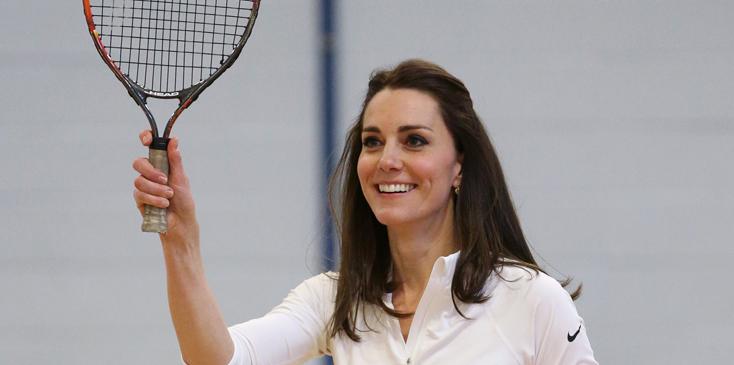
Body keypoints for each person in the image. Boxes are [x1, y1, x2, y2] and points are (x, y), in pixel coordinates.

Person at [132, 59, 598, 365]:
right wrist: (181, 242)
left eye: (414, 140)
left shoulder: (532, 300)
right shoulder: (336, 300)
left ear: (460, 166)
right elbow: (222, 360)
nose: (387, 159)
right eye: (373, 142)